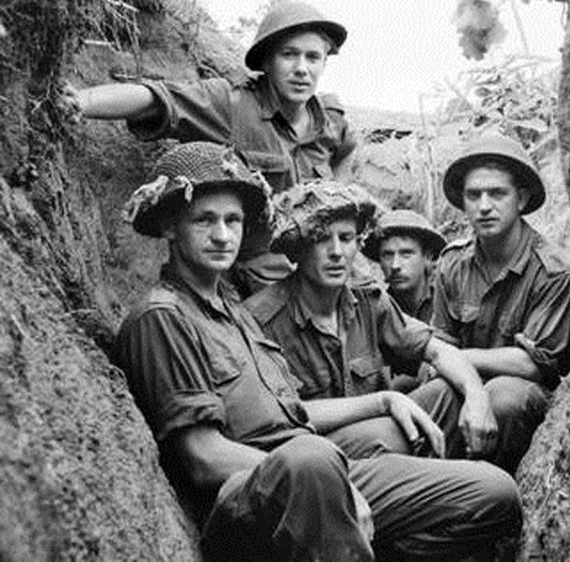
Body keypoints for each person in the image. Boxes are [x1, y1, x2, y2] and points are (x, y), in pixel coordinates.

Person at [110, 141, 522, 562]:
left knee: (495, 493)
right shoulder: (163, 317)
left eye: (232, 220)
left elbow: (293, 413)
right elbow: (202, 457)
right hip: (261, 497)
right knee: (313, 458)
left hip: (310, 461)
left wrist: (384, 400)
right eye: (204, 220)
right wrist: (328, 481)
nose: (222, 235)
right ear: (169, 227)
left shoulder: (230, 309)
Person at [60, 1, 357, 295]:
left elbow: (346, 150)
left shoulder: (331, 121)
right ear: (267, 61)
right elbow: (157, 99)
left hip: (318, 271)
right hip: (255, 282)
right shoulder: (232, 104)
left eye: (312, 57)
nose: (302, 69)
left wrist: (338, 198)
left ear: (324, 63)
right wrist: (81, 102)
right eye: (289, 55)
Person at [244, 181, 498, 462]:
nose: (336, 252)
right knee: (391, 435)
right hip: (315, 458)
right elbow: (276, 416)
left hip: (380, 437)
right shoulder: (261, 320)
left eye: (346, 238)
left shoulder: (367, 298)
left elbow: (438, 351)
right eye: (321, 239)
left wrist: (477, 396)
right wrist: (382, 402)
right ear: (298, 248)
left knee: (449, 393)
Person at [431, 129, 570, 473]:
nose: (484, 206)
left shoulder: (552, 271)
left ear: (521, 199)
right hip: (465, 384)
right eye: (474, 195)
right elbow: (438, 345)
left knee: (504, 396)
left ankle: (493, 493)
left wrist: (460, 359)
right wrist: (462, 378)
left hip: (524, 398)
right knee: (430, 393)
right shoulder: (452, 263)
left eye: (497, 193)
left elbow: (533, 365)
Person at [362, 208, 446, 323]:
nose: (395, 265)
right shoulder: (373, 312)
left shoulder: (448, 304)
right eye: (387, 255)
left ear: (428, 258)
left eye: (406, 254)